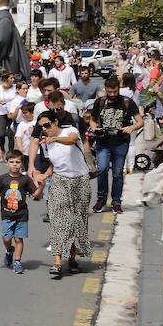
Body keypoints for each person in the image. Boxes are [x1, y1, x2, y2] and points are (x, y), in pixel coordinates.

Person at [33, 114, 91, 278]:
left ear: (56, 122)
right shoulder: (46, 144)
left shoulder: (70, 131)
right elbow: (53, 164)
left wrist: (56, 139)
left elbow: (72, 141)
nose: (45, 130)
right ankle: (57, 261)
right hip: (59, 181)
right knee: (58, 220)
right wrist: (45, 175)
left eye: (47, 125)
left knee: (77, 221)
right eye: (41, 128)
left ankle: (72, 259)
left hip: (80, 181)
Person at [89, 77, 142, 214]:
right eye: (109, 91)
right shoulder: (100, 102)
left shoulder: (127, 102)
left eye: (115, 91)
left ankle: (116, 202)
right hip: (103, 143)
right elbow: (92, 120)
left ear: (119, 89)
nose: (112, 94)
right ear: (105, 89)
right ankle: (101, 199)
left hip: (121, 143)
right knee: (102, 169)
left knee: (118, 173)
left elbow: (140, 121)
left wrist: (132, 127)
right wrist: (95, 128)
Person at [0, 150, 36, 275]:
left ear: (22, 164)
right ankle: (9, 250)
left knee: (19, 239)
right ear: (7, 163)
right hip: (7, 215)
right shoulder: (2, 179)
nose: (14, 164)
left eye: (17, 162)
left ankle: (17, 261)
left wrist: (40, 185)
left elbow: (35, 194)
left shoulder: (25, 179)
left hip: (22, 215)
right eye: (11, 162)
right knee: (6, 237)